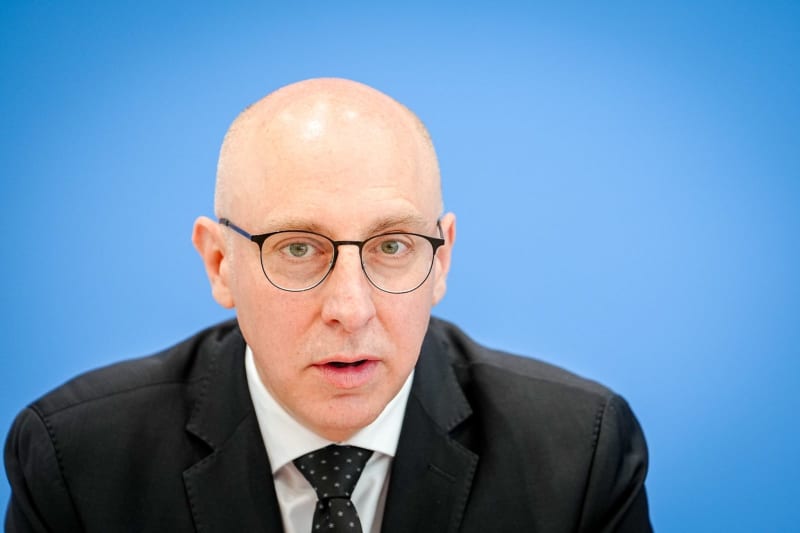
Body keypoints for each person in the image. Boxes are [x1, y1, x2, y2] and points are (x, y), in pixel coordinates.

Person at [4, 78, 653, 532]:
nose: (351, 308)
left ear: (441, 260)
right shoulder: (77, 459)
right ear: (220, 264)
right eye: (297, 248)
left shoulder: (580, 454)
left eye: (392, 245)